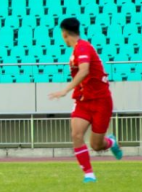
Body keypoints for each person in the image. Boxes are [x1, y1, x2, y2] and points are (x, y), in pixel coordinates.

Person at [47, 17, 122, 183]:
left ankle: (111, 142)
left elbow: (84, 70)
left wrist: (65, 90)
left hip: (101, 101)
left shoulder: (83, 47)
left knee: (97, 145)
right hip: (83, 100)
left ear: (64, 34)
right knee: (76, 134)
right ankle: (89, 174)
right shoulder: (76, 50)